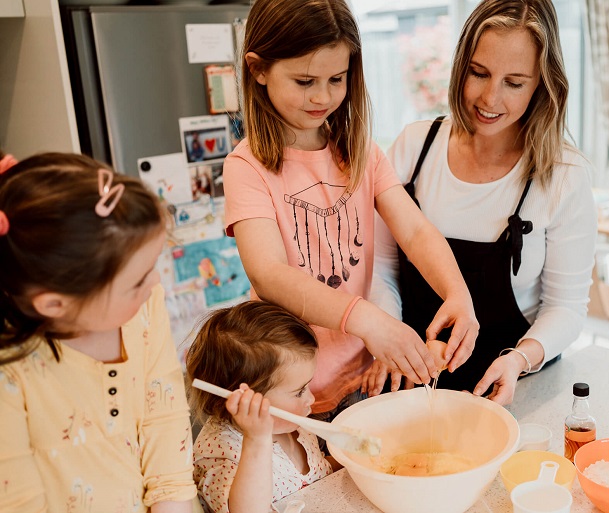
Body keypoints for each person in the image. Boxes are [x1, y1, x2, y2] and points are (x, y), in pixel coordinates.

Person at [222, 0, 479, 425]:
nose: (323, 96)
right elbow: (267, 273)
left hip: (363, 378)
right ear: (259, 69)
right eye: (305, 81)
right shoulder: (246, 166)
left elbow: (414, 231)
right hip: (291, 390)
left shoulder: (361, 153)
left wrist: (457, 292)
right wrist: (367, 320)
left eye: (336, 79)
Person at [370, 0, 597, 404]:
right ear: (460, 67)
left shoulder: (564, 173)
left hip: (509, 389)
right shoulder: (414, 148)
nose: (490, 98)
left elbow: (565, 307)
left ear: (542, 84)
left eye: (515, 82)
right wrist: (389, 337)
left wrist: (519, 360)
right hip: (409, 382)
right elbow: (382, 269)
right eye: (479, 73)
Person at [0, 153, 198, 512]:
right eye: (137, 280)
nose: (154, 283)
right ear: (55, 305)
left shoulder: (143, 308)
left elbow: (165, 426)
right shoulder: (10, 371)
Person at [186, 300, 335, 513]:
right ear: (246, 401)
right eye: (299, 391)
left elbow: (318, 476)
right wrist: (257, 439)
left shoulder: (289, 425)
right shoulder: (220, 453)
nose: (310, 399)